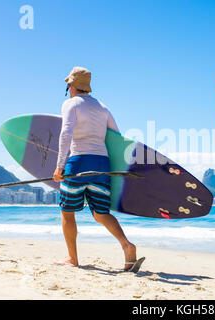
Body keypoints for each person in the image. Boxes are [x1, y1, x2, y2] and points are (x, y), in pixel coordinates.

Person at [53, 66, 145, 272]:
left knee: (67, 212)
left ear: (71, 85)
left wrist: (60, 166)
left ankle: (72, 258)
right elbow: (116, 138)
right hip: (102, 164)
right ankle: (127, 245)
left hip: (78, 162)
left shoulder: (70, 104)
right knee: (101, 212)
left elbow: (66, 133)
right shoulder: (103, 108)